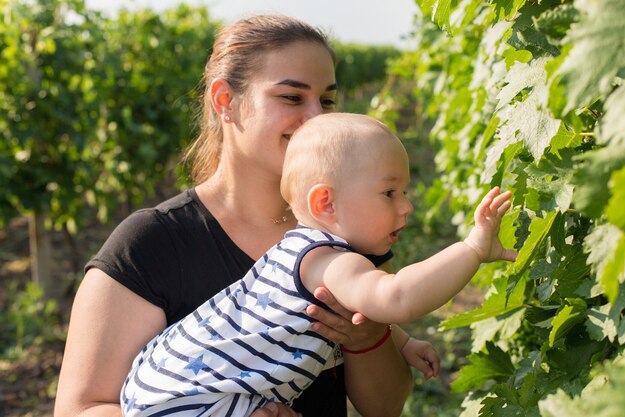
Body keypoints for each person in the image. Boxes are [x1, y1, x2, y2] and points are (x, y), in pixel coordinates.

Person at [55, 15, 436, 417]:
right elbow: (82, 410)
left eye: (326, 100)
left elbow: (386, 407)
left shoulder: (349, 231)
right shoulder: (151, 243)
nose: (316, 117)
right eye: (292, 98)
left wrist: (369, 339)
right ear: (225, 101)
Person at [121, 113, 517, 416]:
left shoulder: (300, 252)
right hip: (196, 402)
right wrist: (472, 249)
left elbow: (356, 309)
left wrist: (404, 342)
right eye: (389, 192)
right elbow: (395, 296)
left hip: (162, 385)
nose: (407, 206)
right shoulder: (327, 261)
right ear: (325, 202)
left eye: (405, 191)